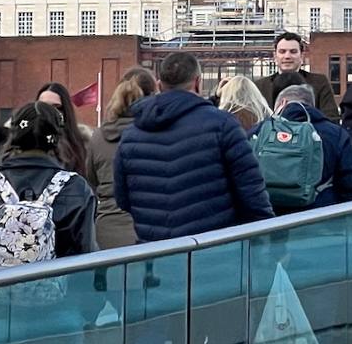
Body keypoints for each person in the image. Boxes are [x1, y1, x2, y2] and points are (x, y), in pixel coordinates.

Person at [114, 52, 274, 240]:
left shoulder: (131, 134)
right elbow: (251, 192)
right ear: (198, 83)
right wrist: (268, 239)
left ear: (159, 85)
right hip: (213, 250)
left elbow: (123, 199)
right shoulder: (222, 125)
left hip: (154, 253)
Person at [0, 102, 96, 263]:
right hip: (56, 285)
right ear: (57, 138)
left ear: (13, 135)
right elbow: (85, 252)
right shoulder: (76, 187)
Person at [255, 83, 352, 213]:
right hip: (320, 220)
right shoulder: (335, 134)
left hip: (269, 223)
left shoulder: (260, 131)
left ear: (282, 103)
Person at [87, 74, 153, 251]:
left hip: (106, 229)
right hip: (148, 228)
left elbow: (91, 181)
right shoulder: (156, 135)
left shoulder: (99, 137)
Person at [255, 33, 341, 121]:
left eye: (293, 52)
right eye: (282, 52)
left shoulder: (319, 82)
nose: (287, 56)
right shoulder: (260, 86)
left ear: (301, 56)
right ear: (275, 56)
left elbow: (331, 117)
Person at [34, 84, 94, 187]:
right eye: (44, 107)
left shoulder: (84, 144)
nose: (50, 112)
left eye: (57, 107)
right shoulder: (21, 144)